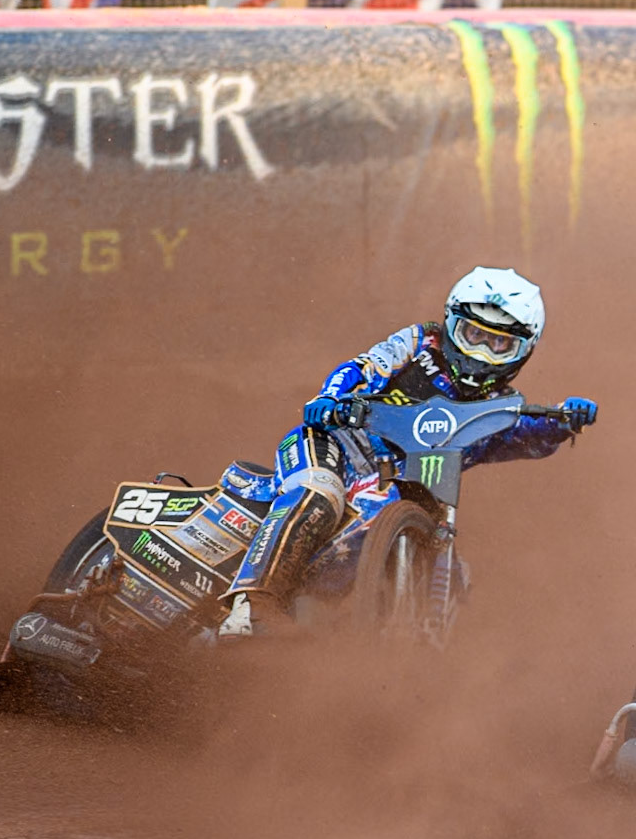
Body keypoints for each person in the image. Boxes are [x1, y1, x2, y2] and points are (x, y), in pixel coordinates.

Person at [217, 266, 597, 638]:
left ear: (523, 351)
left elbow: (526, 437)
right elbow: (364, 365)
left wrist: (563, 422)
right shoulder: (418, 344)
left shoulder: (501, 407)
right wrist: (331, 397)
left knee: (454, 572)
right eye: (473, 334)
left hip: (391, 488)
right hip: (333, 444)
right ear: (450, 323)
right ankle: (252, 606)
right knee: (320, 491)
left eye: (499, 344)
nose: (481, 352)